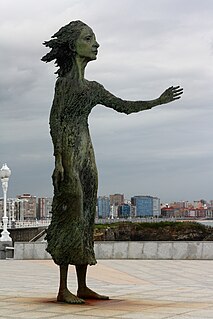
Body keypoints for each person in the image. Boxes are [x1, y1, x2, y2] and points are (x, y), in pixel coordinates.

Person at [42, 20, 183, 304]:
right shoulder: (64, 84)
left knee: (85, 219)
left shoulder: (93, 88)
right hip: (70, 156)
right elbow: (55, 120)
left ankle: (82, 285)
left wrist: (157, 101)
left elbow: (124, 106)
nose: (96, 44)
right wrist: (59, 160)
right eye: (88, 38)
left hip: (87, 158)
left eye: (95, 39)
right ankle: (62, 288)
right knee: (69, 216)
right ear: (73, 45)